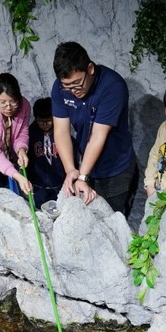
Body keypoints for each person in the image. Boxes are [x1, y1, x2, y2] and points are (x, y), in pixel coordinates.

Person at [50, 42, 137, 215]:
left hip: (115, 170)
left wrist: (82, 176)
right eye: (67, 86)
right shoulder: (60, 88)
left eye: (77, 83)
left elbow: (98, 135)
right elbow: (61, 131)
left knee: (112, 219)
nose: (73, 90)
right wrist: (71, 171)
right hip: (88, 167)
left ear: (90, 69)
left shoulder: (112, 86)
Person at [26, 97, 73, 207]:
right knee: (40, 210)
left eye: (48, 120)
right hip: (38, 186)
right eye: (40, 121)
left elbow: (72, 155)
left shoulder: (62, 133)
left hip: (59, 185)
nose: (45, 124)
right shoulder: (30, 135)